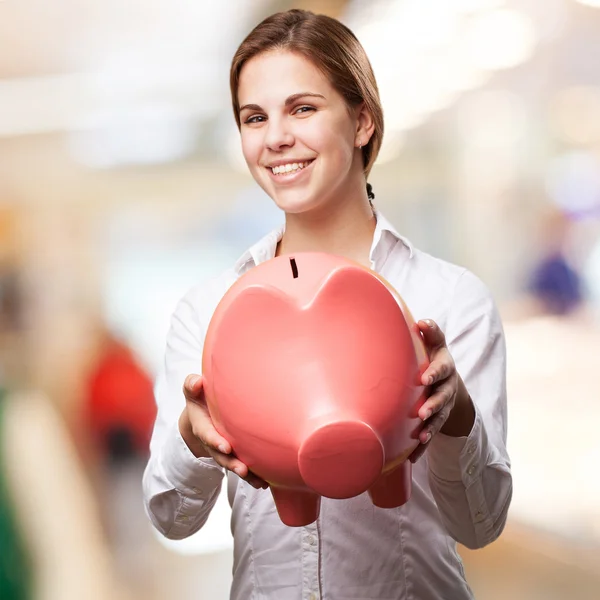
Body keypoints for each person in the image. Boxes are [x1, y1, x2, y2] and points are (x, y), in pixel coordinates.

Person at [143, 9, 512, 600]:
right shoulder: (209, 310)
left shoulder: (450, 299)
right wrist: (192, 436)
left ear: (362, 120)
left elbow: (480, 526)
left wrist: (457, 414)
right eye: (254, 117)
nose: (276, 137)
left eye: (303, 108)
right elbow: (171, 519)